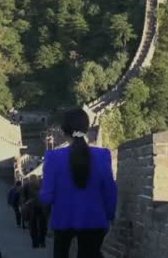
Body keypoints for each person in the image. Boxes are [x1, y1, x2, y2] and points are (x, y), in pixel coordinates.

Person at [39, 108, 117, 258]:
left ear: (63, 130)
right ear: (86, 128)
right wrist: (110, 216)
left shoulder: (53, 157)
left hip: (63, 220)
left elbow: (47, 196)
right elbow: (110, 191)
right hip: (95, 220)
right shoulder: (103, 156)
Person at [26, 176, 48, 249]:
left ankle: (41, 242)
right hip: (33, 208)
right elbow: (23, 197)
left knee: (41, 226)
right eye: (32, 180)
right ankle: (37, 242)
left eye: (34, 180)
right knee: (34, 226)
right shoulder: (27, 187)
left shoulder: (42, 186)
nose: (33, 181)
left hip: (41, 208)